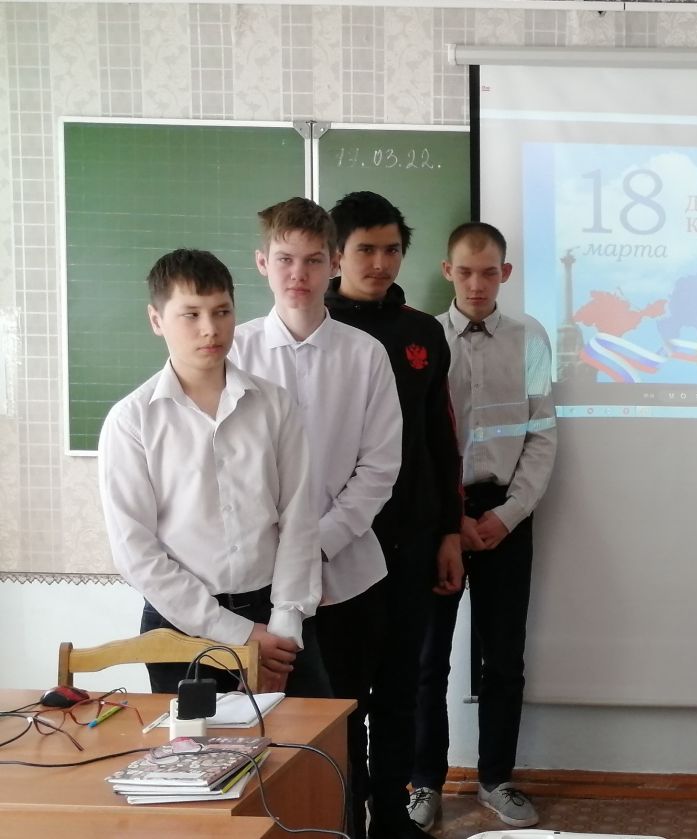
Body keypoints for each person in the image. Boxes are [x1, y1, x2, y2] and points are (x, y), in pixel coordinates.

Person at [229, 197, 404, 827]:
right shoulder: (234, 352)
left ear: (333, 264)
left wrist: (315, 545)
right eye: (284, 260)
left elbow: (379, 468)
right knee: (263, 727)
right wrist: (279, 556)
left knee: (345, 722)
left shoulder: (365, 354)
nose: (297, 274)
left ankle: (349, 827)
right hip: (256, 584)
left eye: (311, 260)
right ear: (262, 263)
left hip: (347, 575)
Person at [99, 249, 326, 697]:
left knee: (314, 738)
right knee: (197, 743)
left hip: (276, 613)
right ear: (156, 319)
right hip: (180, 625)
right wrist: (238, 634)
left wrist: (282, 628)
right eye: (191, 314)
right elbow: (136, 551)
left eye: (222, 311)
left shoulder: (274, 405)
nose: (211, 328)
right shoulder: (132, 421)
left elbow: (299, 517)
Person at [324, 191, 465, 839]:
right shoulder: (318, 330)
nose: (380, 263)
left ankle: (392, 817)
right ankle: (348, 817)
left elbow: (442, 440)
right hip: (341, 546)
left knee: (403, 689)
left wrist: (449, 532)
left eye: (391, 249)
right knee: (345, 697)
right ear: (336, 254)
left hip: (413, 543)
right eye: (365, 250)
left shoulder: (422, 332)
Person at [408, 223, 556, 830]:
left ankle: (497, 779)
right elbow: (414, 440)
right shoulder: (422, 339)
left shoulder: (531, 339)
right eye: (465, 272)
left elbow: (542, 433)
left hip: (505, 515)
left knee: (504, 659)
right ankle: (423, 782)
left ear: (505, 274)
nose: (476, 284)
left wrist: (507, 514)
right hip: (438, 517)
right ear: (448, 271)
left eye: (489, 272)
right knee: (427, 660)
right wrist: (451, 518)